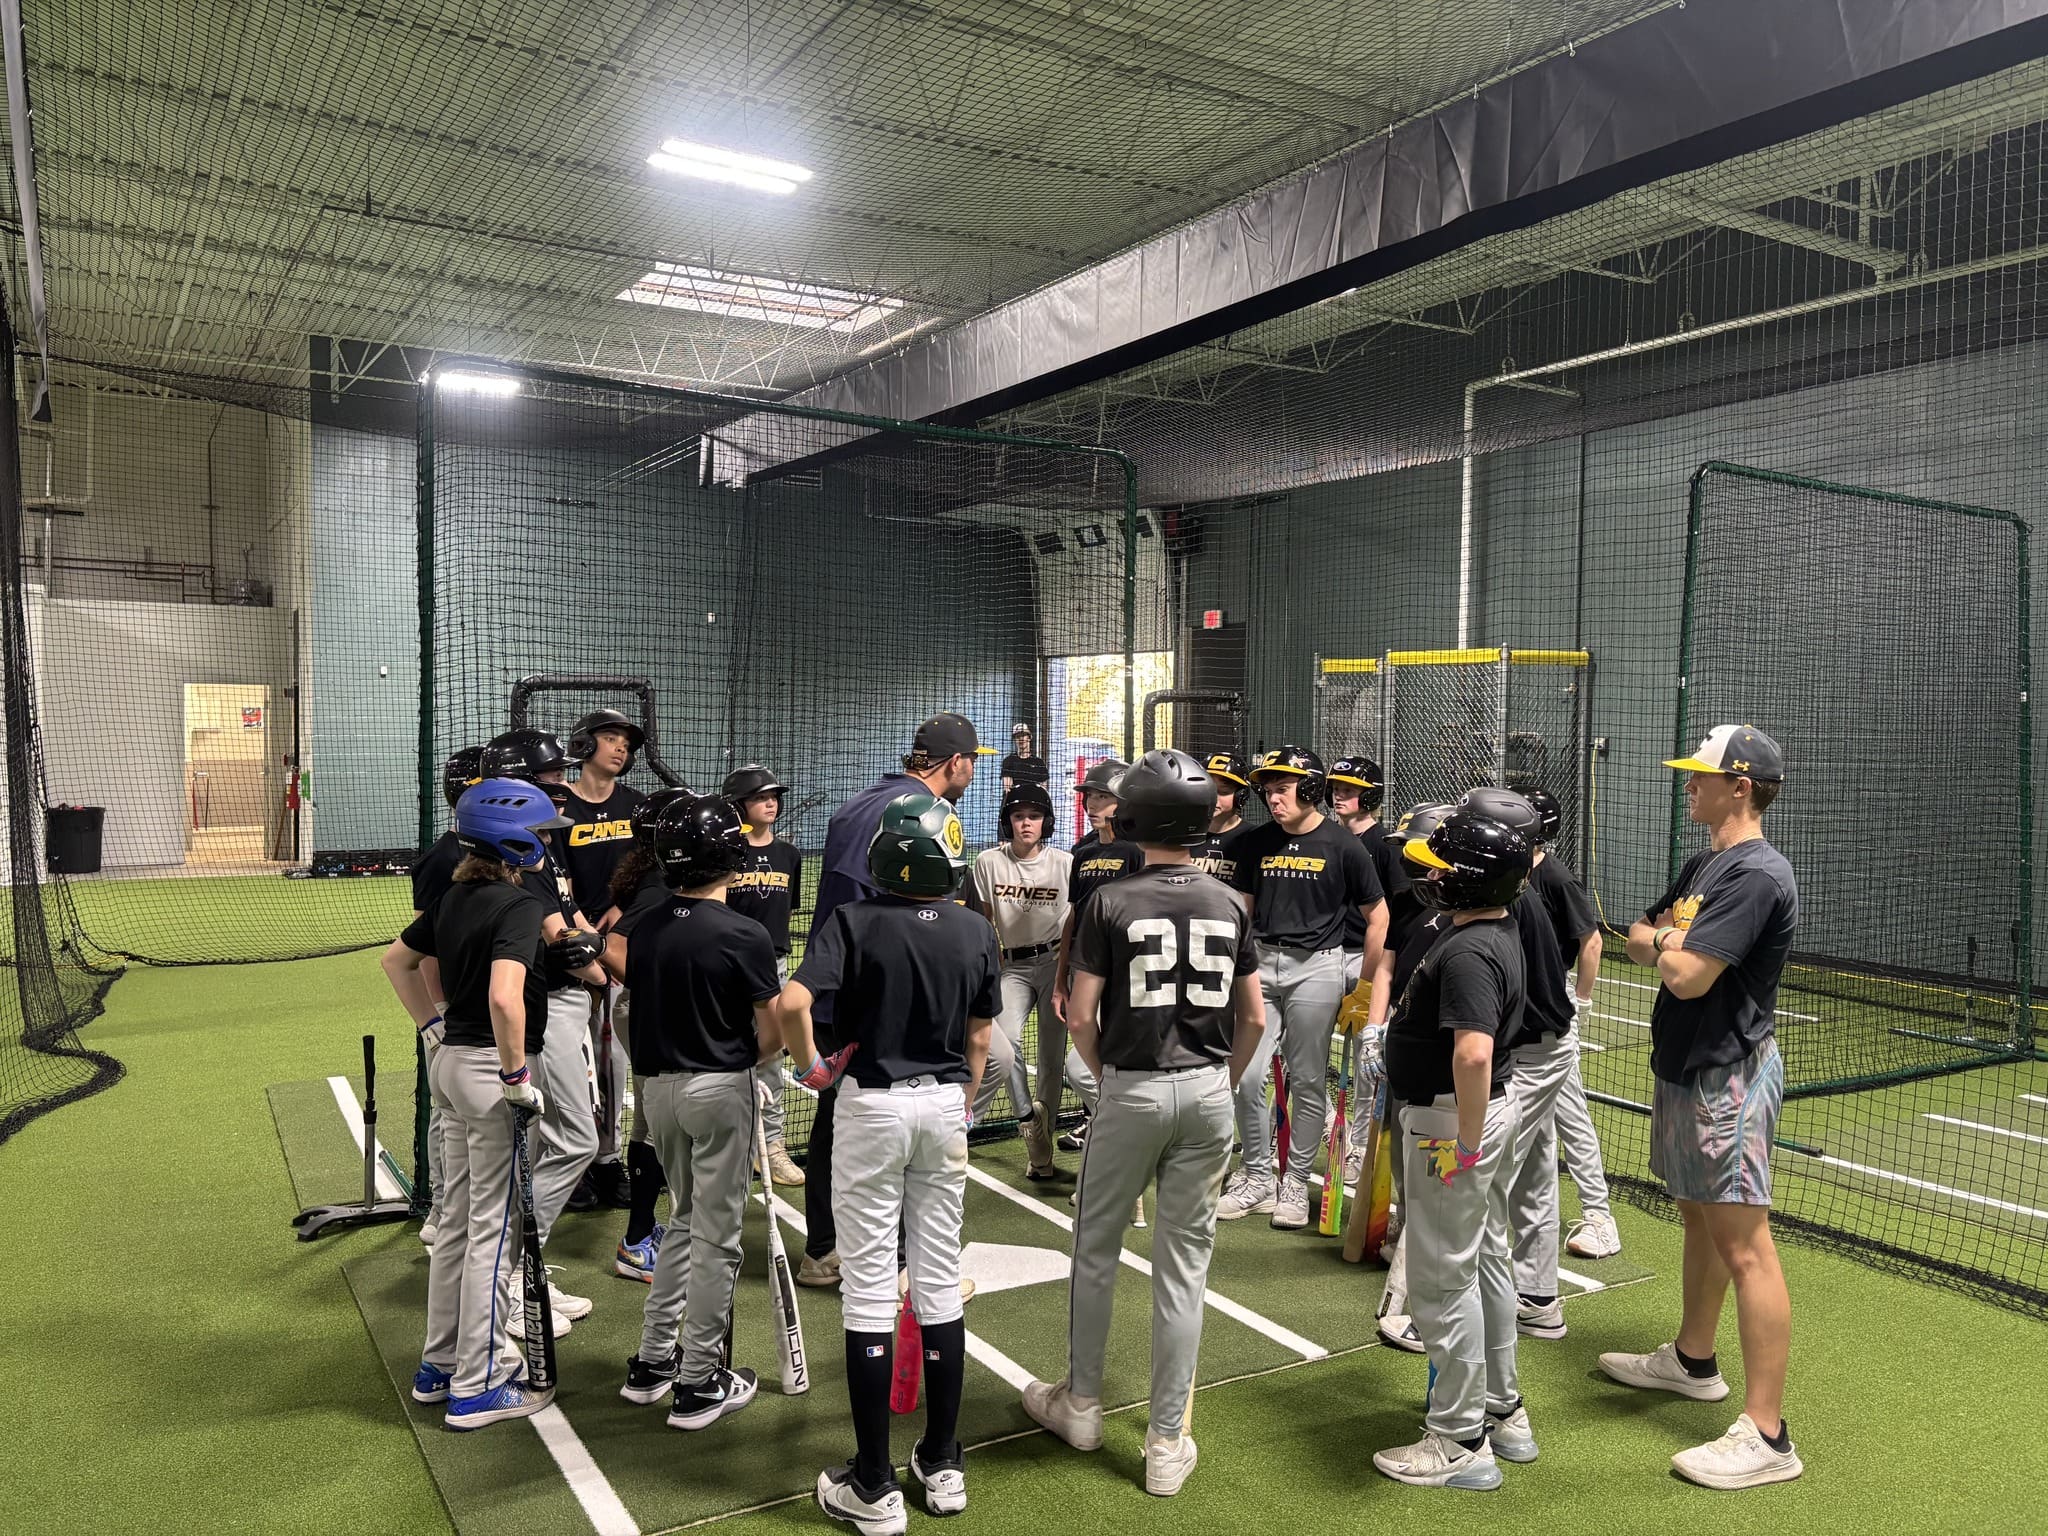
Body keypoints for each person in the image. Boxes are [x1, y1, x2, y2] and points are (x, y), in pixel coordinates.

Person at [1023, 750, 1265, 1498]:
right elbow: (1255, 1020)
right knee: (1184, 1269)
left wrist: (1113, 1081)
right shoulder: (1230, 902)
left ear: (1132, 818)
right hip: (1209, 1092)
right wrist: (1217, 1084)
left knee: (1095, 1249)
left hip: (1132, 1089)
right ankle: (1166, 1443)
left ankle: (1082, 1406)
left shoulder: (1109, 901)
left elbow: (1080, 1016)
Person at [776, 791, 1000, 1531]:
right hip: (943, 1108)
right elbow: (979, 1040)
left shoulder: (853, 919)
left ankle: (872, 1484)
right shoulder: (973, 928)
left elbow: (792, 1004)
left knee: (870, 1289)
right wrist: (962, 1103)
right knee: (937, 1284)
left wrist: (813, 1070)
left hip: (870, 1106)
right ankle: (942, 1461)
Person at [1603, 726, 1800, 1491]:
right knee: (1699, 1216)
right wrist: (1668, 941)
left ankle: (1768, 1435)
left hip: (1729, 1077)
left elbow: (1688, 975)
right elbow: (1636, 937)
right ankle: (1692, 1360)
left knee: (1746, 1244)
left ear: (1739, 787)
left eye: (1700, 777)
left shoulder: (1757, 874)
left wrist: (1665, 945)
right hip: (1685, 1065)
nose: (1688, 785)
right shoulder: (1704, 864)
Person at [382, 778, 570, 1431]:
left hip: (452, 1067)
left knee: (459, 1223)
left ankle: (439, 1366)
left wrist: (432, 1029)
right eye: (539, 832)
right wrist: (517, 1076)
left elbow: (396, 963)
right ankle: (479, 1382)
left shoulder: (453, 896)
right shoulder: (517, 905)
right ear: (512, 840)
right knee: (493, 1227)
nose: (545, 842)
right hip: (492, 1073)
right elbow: (503, 997)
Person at [797, 713, 991, 1291]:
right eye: (972, 760)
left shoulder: (861, 803)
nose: (974, 771)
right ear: (954, 762)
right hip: (882, 994)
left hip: (835, 987)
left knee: (837, 1123)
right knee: (908, 1117)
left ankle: (825, 1250)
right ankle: (904, 1266)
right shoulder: (920, 812)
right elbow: (892, 909)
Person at [1372, 806, 1532, 1490]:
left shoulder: (1468, 950)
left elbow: (1472, 1054)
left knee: (1441, 1281)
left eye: (1443, 869)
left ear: (1470, 880)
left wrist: (1464, 1143)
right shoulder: (1491, 927)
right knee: (1485, 1262)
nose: (1431, 877)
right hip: (1475, 1116)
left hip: (1452, 1123)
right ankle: (1502, 1410)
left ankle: (1461, 1439)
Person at [617, 791, 785, 1429]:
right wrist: (746, 1067)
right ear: (732, 858)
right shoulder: (744, 933)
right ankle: (698, 1382)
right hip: (718, 1090)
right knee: (717, 1239)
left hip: (657, 1093)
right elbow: (771, 1031)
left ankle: (653, 1361)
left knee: (683, 1220)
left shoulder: (645, 926)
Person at [1217, 746, 1386, 1230]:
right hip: (1259, 966)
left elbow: (1379, 918)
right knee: (1247, 1076)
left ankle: (1294, 1182)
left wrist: (1364, 987)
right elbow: (1244, 912)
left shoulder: (1344, 845)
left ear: (1310, 788)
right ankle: (1256, 1177)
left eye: (1283, 788)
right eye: (1268, 790)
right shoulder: (1256, 843)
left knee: (1308, 1079)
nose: (1273, 798)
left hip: (1317, 968)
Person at [480, 728, 608, 1330]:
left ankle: (520, 1269)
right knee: (574, 1140)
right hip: (548, 1007)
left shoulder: (544, 844)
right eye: (551, 777)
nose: (562, 785)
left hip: (566, 1005)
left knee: (546, 1144)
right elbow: (563, 939)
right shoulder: (515, 855)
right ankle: (511, 1276)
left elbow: (574, 916)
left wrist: (598, 956)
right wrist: (607, 974)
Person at [1457, 787, 1580, 1345]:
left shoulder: (1512, 898)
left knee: (1486, 1178)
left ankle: (1488, 1304)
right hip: (1542, 1047)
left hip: (1532, 1053)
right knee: (1533, 1173)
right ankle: (1538, 1297)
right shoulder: (1516, 887)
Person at [1520, 785, 1621, 1261]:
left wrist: (1579, 999)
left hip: (1551, 1001)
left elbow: (1591, 941)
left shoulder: (1556, 878)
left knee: (1569, 1113)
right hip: (1514, 1001)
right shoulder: (1512, 872)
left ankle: (1600, 1217)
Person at [601, 786, 693, 1282]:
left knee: (649, 1123)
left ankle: (640, 1234)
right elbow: (612, 946)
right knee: (661, 1123)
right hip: (646, 1010)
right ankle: (637, 1243)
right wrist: (651, 986)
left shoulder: (654, 875)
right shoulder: (658, 885)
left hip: (641, 1011)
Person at [560, 709, 650, 1210]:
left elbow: (648, 870)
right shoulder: (560, 804)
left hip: (620, 942)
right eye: (611, 738)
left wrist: (620, 912)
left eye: (626, 744)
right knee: (570, 1055)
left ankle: (607, 1158)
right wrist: (579, 925)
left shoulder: (635, 806)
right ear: (584, 745)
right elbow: (554, 874)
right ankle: (570, 1159)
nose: (621, 748)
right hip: (568, 944)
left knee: (612, 1055)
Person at [967, 781, 1069, 1177]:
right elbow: (984, 919)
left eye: (1034, 816)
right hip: (1013, 966)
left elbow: (1074, 921)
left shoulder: (1065, 863)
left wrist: (1066, 972)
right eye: (1018, 816)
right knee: (1005, 1043)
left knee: (1051, 1058)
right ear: (1007, 821)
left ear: (1047, 822)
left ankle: (1042, 1151)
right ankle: (1028, 1119)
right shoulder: (988, 862)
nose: (1026, 823)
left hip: (1056, 963)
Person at [409, 744, 485, 1245]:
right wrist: (436, 1014)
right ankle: (441, 1209)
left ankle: (453, 1206)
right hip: (448, 1006)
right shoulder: (445, 859)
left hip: (466, 1004)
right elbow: (425, 947)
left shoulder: (478, 852)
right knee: (448, 1110)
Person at [1049, 758, 1140, 1158]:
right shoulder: (1082, 851)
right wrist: (1060, 979)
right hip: (1086, 970)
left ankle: (1113, 1125)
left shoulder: (1136, 851)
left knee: (1093, 1064)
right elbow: (1074, 916)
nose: (1091, 804)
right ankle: (1110, 1121)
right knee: (1084, 1064)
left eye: (1102, 796)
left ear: (1122, 800)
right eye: (1089, 796)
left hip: (1127, 973)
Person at [723, 763, 807, 1188]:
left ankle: (771, 1147)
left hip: (771, 965)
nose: (770, 803)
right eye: (760, 797)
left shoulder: (788, 855)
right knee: (725, 1052)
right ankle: (732, 1146)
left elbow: (784, 912)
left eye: (773, 796)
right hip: (725, 965)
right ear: (739, 806)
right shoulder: (726, 851)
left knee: (771, 1056)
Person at [1187, 752, 1250, 881]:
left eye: (1223, 792)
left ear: (1240, 797)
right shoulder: (1182, 835)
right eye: (1207, 789)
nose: (1213, 798)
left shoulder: (1253, 838)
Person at [1000, 723, 1047, 795]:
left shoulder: (1039, 763)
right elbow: (1008, 789)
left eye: (1023, 735)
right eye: (1018, 736)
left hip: (1034, 799)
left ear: (1029, 737)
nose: (1021, 739)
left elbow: (1043, 789)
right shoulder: (1009, 761)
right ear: (1015, 739)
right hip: (1015, 799)